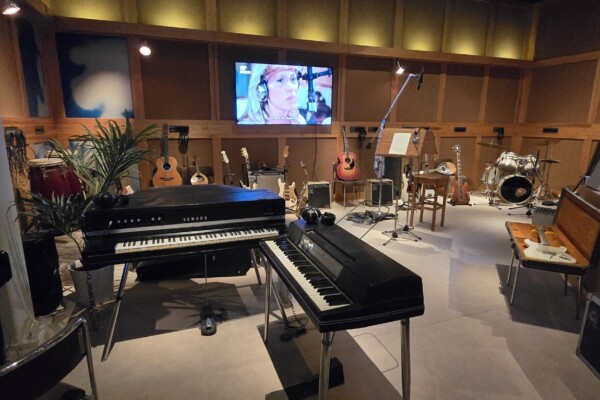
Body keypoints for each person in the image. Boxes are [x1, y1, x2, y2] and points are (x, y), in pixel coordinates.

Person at [238, 63, 306, 125]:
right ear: (262, 89)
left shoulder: (299, 122)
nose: (291, 87)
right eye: (280, 80)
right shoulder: (247, 126)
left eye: (293, 79)